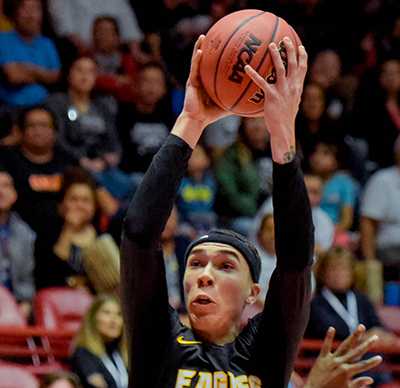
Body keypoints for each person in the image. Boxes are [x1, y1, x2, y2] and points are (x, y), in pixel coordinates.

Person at [119, 31, 314, 388]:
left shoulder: (265, 348)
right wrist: (190, 123)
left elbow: (296, 260)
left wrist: (284, 134)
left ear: (252, 293)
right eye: (195, 264)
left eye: (225, 266)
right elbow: (138, 236)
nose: (204, 275)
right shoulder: (160, 342)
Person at [305, 245, 398, 387]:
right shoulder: (315, 304)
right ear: (323, 273)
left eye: (343, 269)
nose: (338, 274)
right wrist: (363, 337)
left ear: (352, 273)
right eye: (333, 269)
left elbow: (377, 326)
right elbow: (331, 331)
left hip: (371, 367)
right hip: (335, 367)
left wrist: (377, 333)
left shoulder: (362, 300)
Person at [0, 106, 79, 237]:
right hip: (18, 231)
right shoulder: (7, 160)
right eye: (31, 126)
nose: (38, 131)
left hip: (65, 230)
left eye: (44, 125)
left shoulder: (68, 161)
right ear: (21, 131)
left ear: (55, 132)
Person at [213, 116, 273, 237]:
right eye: (252, 120)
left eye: (262, 120)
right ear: (243, 124)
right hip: (241, 217)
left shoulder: (277, 151)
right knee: (251, 228)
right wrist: (254, 211)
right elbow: (228, 191)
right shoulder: (232, 154)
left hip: (272, 213)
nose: (257, 125)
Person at [0, 0, 61, 109]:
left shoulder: (47, 43)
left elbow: (55, 76)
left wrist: (26, 69)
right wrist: (42, 74)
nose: (31, 15)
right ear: (15, 12)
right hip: (11, 106)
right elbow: (13, 76)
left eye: (36, 10)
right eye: (25, 9)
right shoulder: (3, 39)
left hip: (44, 104)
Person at [359, 135, 400, 282]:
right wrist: (370, 265)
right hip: (390, 249)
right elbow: (367, 223)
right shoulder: (382, 180)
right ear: (397, 153)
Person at [0, 166, 35, 320]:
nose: (1, 191)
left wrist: (25, 303)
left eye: (6, 186)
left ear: (14, 193)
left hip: (13, 308)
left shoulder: (23, 231)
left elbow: (26, 277)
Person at [70, 294, 128, 388]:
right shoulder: (83, 354)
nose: (114, 320)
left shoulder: (123, 353)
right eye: (107, 313)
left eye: (119, 314)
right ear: (93, 319)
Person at [92, 15, 139, 104]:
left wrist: (102, 80)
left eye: (106, 32)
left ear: (117, 37)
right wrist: (116, 81)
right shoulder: (87, 58)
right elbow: (90, 82)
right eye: (98, 31)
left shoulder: (127, 60)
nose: (101, 36)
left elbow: (131, 88)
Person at [176, 143, 217, 239]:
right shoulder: (179, 183)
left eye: (197, 155)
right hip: (185, 226)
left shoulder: (212, 182)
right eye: (189, 155)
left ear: (207, 160)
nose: (192, 158)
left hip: (209, 225)